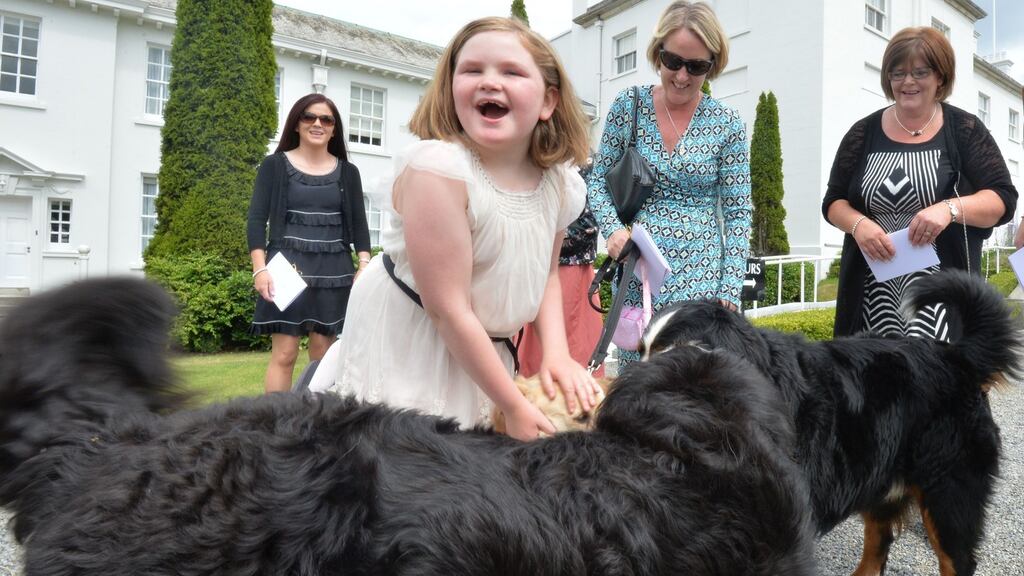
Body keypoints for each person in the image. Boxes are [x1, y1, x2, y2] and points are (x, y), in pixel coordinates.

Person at [309, 17, 601, 441]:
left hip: (485, 349)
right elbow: (448, 310)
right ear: (451, 89)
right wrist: (514, 404)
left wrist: (556, 353)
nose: (489, 82)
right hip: (416, 342)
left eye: (512, 72)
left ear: (548, 101)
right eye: (472, 70)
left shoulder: (560, 184)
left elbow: (547, 275)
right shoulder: (438, 170)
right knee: (411, 471)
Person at [822, 26, 1017, 340]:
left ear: (940, 77)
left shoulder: (964, 130)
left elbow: (1002, 201)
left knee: (944, 384)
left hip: (945, 303)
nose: (907, 82)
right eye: (897, 74)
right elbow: (833, 202)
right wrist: (859, 225)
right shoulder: (863, 133)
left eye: (919, 72)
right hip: (872, 301)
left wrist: (948, 209)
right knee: (870, 384)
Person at [587, 0, 752, 368]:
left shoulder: (727, 123)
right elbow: (597, 180)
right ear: (657, 53)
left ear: (713, 65)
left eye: (696, 66)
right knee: (638, 386)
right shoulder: (628, 105)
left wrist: (729, 289)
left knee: (692, 390)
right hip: (637, 272)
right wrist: (613, 232)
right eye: (673, 61)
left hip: (701, 279)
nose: (681, 76)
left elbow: (739, 212)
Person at [247, 93, 371, 393]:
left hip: (334, 273)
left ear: (334, 129)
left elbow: (358, 223)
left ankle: (316, 427)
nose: (318, 124)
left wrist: (364, 263)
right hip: (285, 271)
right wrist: (259, 270)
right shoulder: (274, 165)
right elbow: (255, 220)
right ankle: (273, 428)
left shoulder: (348, 172)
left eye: (326, 119)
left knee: (323, 356)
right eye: (309, 117)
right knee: (285, 354)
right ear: (296, 124)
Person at [517, 163, 605, 379]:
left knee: (576, 353)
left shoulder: (585, 168)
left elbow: (588, 226)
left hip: (572, 272)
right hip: (528, 274)